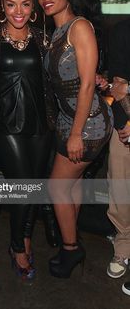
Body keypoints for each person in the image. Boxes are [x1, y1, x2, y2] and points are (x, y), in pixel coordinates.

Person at [36, 0, 113, 278]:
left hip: (88, 123)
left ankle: (71, 249)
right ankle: (72, 240)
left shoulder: (79, 27)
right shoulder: (57, 31)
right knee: (73, 184)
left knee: (56, 188)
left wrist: (77, 134)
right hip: (73, 120)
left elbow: (84, 86)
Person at [0, 0, 58, 280]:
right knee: (24, 185)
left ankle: (26, 237)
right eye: (12, 4)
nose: (18, 11)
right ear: (3, 6)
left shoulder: (44, 39)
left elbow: (59, 78)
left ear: (34, 7)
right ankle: (16, 247)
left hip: (41, 125)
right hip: (6, 125)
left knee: (35, 185)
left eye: (25, 4)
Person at [101, 19, 130, 283]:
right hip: (126, 125)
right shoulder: (123, 30)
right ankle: (123, 247)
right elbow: (119, 86)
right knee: (120, 188)